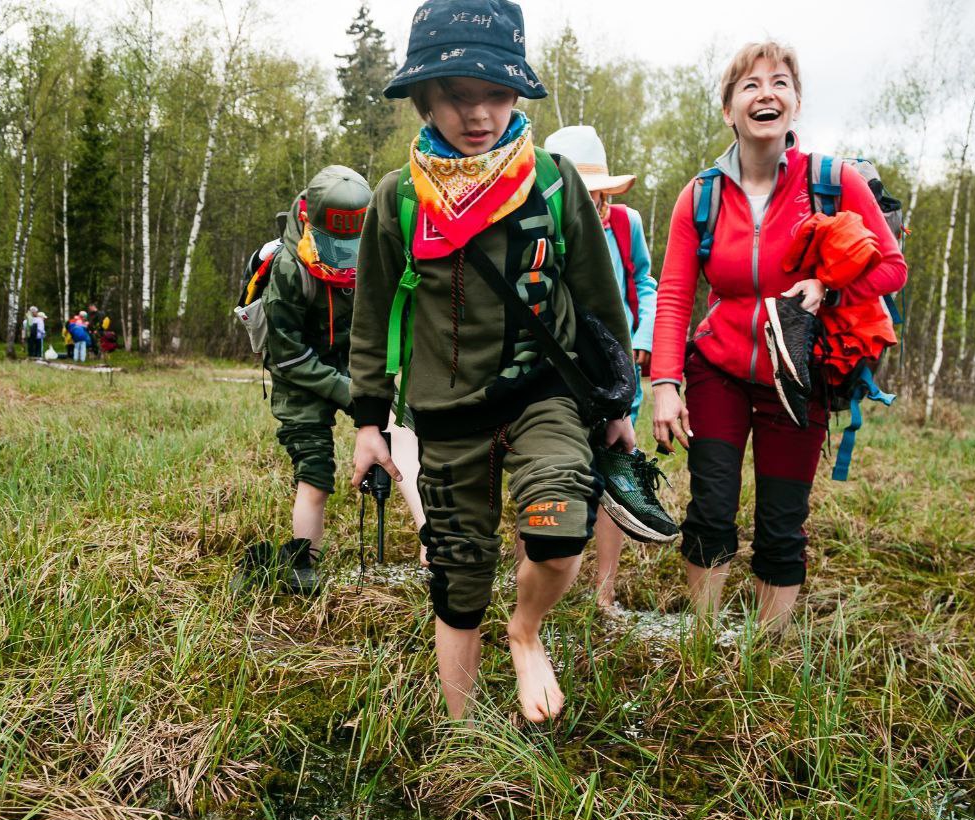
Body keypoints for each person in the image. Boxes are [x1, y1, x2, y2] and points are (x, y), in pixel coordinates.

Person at [349, 0, 636, 724]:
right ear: (424, 96)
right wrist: (367, 423)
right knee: (457, 572)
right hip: (445, 413)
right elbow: (375, 317)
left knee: (559, 527)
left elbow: (600, 302)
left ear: (517, 94)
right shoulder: (399, 201)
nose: (477, 113)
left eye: (496, 93)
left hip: (546, 393)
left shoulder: (552, 181)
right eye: (456, 94)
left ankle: (527, 630)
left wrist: (616, 408)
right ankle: (462, 733)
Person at [650, 41, 906, 632]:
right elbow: (672, 294)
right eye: (750, 85)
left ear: (795, 103)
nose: (766, 93)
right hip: (718, 370)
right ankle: (705, 644)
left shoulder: (833, 180)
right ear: (728, 110)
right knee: (710, 509)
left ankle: (768, 652)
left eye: (780, 82)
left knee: (781, 519)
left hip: (800, 373)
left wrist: (830, 285)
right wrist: (666, 383)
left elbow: (891, 267)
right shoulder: (701, 196)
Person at [543, 125, 677, 612]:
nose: (594, 206)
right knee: (549, 478)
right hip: (555, 377)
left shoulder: (626, 224)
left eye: (600, 196)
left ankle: (604, 594)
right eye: (584, 194)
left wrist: (641, 340)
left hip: (616, 373)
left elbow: (645, 281)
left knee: (614, 480)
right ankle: (533, 588)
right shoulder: (536, 228)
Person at [258, 165, 373, 595]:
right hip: (299, 378)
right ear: (309, 222)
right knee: (316, 473)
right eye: (335, 244)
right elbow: (286, 357)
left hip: (350, 364)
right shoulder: (289, 270)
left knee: (400, 437)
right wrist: (347, 393)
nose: (344, 254)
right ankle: (305, 567)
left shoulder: (368, 256)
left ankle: (432, 544)